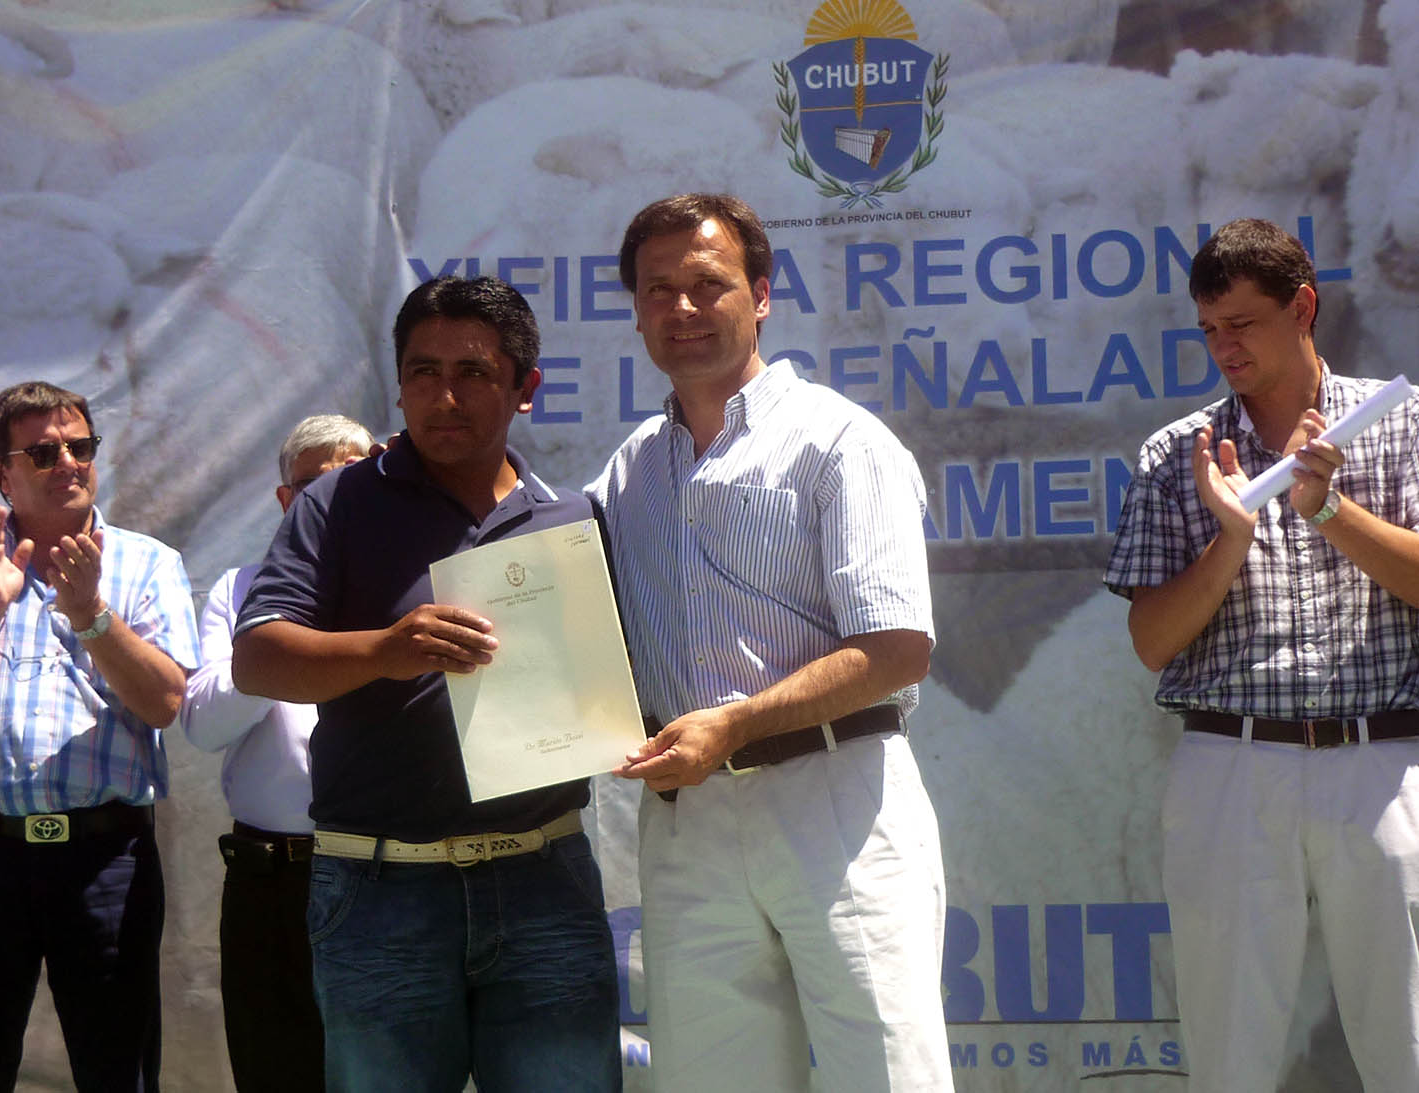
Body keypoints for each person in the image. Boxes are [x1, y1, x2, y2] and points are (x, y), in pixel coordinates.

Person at [588, 193, 953, 1091]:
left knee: (888, 1076)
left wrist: (737, 724)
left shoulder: (841, 441)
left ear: (760, 294)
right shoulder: (628, 469)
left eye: (707, 284)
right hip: (689, 821)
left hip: (838, 798)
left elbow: (897, 648)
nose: (681, 307)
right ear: (635, 311)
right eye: (657, 289)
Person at [230, 276, 620, 1093]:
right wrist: (384, 649)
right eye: (423, 372)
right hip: (380, 888)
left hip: (543, 874)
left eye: (473, 372)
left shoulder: (570, 520)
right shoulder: (335, 504)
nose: (445, 396)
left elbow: (615, 682)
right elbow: (258, 658)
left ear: (525, 388)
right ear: (399, 383)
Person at [1104, 217, 1419, 1091]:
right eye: (1209, 329)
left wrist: (1328, 510)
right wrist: (1231, 537)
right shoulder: (1177, 454)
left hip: (1385, 756)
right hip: (1232, 762)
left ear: (1303, 307)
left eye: (1241, 323)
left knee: (1409, 1041)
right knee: (1229, 1056)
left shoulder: (1401, 420)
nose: (1224, 347)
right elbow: (1152, 641)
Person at [0, 381, 200, 1092]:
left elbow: (165, 702)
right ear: (0, 472)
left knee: (118, 1071)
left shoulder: (148, 562)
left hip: (106, 859)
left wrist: (91, 614)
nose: (69, 463)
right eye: (44, 453)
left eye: (81, 447)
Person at [179, 413, 374, 1091]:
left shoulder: (409, 586)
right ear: (287, 499)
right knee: (274, 1072)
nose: (337, 497)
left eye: (355, 478)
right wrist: (275, 641)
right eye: (318, 484)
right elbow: (203, 726)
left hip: (386, 872)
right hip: (272, 879)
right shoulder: (242, 590)